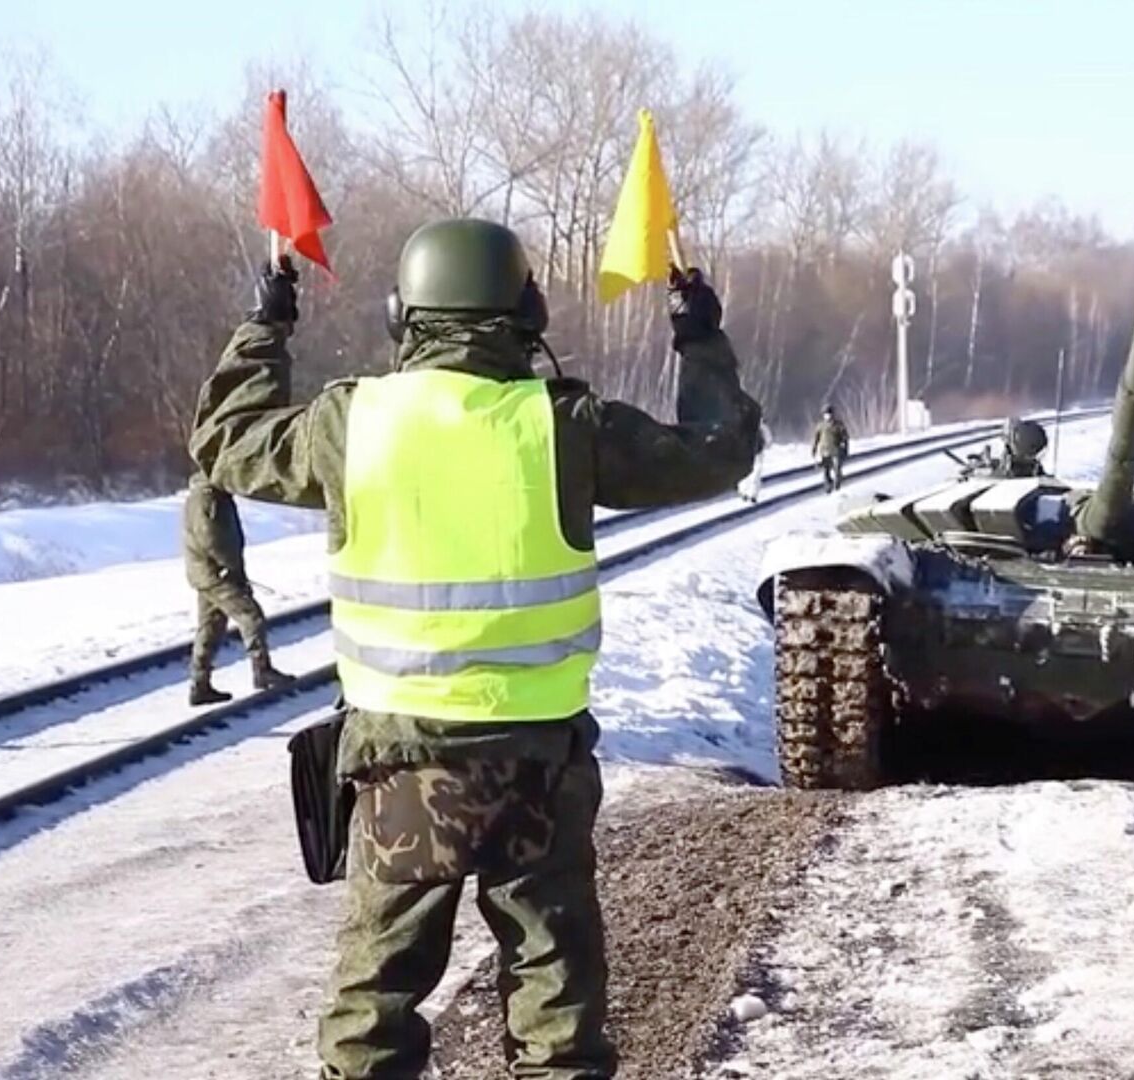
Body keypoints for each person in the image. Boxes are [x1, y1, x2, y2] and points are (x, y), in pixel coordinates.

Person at [190, 218, 761, 1080]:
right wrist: (698, 332)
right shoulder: (563, 425)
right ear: (526, 309)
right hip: (536, 762)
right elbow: (718, 455)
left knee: (374, 1004)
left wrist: (266, 322)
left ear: (401, 314)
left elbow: (227, 442)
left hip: (401, 764)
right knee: (555, 1004)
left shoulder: (355, 422)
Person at [183, 472, 293, 704]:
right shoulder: (209, 498)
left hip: (205, 572)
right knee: (250, 615)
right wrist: (230, 567)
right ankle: (262, 669)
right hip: (217, 573)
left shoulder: (206, 497)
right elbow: (210, 537)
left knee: (211, 627)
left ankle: (199, 683)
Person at [811, 404, 849, 492]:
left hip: (836, 451)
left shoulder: (838, 425)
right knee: (826, 471)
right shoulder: (820, 426)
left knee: (837, 470)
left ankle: (837, 486)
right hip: (824, 452)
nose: (828, 415)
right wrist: (814, 449)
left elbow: (845, 437)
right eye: (826, 413)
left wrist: (845, 448)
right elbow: (816, 438)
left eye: (829, 413)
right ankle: (828, 487)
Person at [737, 419, 773, 503]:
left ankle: (743, 491)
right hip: (757, 453)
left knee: (746, 473)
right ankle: (752, 494)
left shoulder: (744, 425)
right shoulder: (762, 427)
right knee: (756, 475)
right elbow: (769, 441)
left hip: (747, 453)